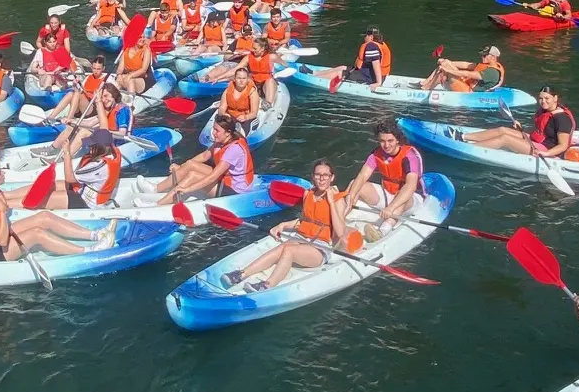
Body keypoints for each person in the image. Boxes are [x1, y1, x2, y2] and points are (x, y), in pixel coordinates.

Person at [221, 159, 363, 293]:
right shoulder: (308, 194)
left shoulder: (338, 200)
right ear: (313, 177)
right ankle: (242, 274)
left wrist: (331, 201)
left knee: (289, 250)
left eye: (326, 175)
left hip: (321, 247)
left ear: (332, 178)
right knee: (282, 247)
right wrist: (282, 225)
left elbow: (339, 231)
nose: (322, 178)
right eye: (318, 175)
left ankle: (267, 285)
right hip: (301, 238)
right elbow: (304, 221)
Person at [0, 161, 117, 263]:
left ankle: (95, 234)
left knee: (43, 217)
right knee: (37, 234)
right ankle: (88, 251)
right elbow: (2, 239)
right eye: (0, 173)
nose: (4, 173)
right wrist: (3, 210)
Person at [137, 115, 256, 205]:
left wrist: (186, 189)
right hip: (225, 179)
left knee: (193, 175)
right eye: (214, 129)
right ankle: (155, 189)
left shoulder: (233, 149)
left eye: (217, 131)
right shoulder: (222, 141)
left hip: (235, 190)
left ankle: (157, 205)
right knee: (190, 164)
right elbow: (205, 156)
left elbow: (212, 177)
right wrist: (181, 167)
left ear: (228, 133)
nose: (213, 133)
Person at [4, 131, 124, 210]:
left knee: (44, 198)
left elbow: (70, 178)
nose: (89, 148)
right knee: (49, 185)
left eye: (92, 146)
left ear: (100, 147)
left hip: (88, 203)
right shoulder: (114, 152)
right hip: (83, 188)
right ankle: (6, 195)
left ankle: (4, 205)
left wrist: (67, 153)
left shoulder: (99, 165)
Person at [455, 86, 579, 162]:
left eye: (547, 98)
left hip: (548, 150)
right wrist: (522, 129)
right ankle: (463, 137)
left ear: (555, 98)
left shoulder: (562, 119)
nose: (543, 101)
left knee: (505, 139)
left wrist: (545, 153)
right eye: (541, 98)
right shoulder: (545, 111)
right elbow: (541, 130)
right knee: (503, 130)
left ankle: (470, 149)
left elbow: (563, 145)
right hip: (538, 142)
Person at [342, 122, 423, 238]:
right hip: (388, 194)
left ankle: (382, 232)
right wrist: (351, 195)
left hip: (410, 199)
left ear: (398, 140)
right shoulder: (376, 154)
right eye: (382, 141)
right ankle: (340, 220)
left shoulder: (410, 155)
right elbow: (362, 176)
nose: (386, 145)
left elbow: (410, 186)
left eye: (390, 141)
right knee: (354, 184)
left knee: (403, 194)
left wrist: (391, 208)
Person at [311, 27, 392, 91]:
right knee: (342, 67)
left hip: (370, 78)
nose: (365, 37)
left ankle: (313, 78)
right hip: (370, 73)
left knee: (340, 73)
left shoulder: (371, 46)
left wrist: (378, 83)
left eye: (366, 35)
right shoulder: (381, 44)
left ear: (371, 37)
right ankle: (315, 73)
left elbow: (376, 64)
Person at [42, 56, 107, 127]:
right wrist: (76, 85)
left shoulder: (107, 80)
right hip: (82, 107)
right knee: (71, 93)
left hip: (93, 109)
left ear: (103, 68)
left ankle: (68, 119)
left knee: (78, 94)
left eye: (98, 69)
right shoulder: (89, 77)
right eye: (94, 68)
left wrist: (87, 94)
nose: (96, 71)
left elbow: (106, 99)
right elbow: (81, 90)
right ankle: (51, 117)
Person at [420, 45, 504, 92]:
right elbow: (466, 64)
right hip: (466, 84)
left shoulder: (492, 72)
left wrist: (447, 69)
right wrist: (447, 62)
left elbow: (467, 74)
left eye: (485, 55)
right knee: (445, 63)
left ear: (493, 57)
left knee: (443, 71)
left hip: (468, 91)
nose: (482, 57)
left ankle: (424, 89)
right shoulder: (486, 64)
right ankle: (424, 83)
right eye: (482, 55)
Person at [216, 66, 262, 133]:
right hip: (231, 116)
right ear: (234, 79)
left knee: (244, 124)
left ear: (247, 79)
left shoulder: (252, 92)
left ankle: (239, 132)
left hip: (246, 117)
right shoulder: (227, 90)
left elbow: (254, 113)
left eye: (244, 78)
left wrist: (245, 117)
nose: (241, 81)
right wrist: (223, 114)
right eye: (239, 78)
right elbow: (222, 107)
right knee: (221, 119)